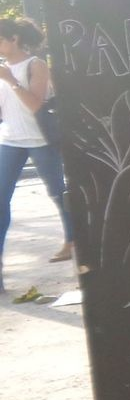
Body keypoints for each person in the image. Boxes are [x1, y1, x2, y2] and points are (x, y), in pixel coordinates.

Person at [0, 17, 73, 286]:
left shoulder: (36, 65)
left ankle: (72, 238)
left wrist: (12, 82)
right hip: (10, 140)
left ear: (14, 39)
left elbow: (35, 105)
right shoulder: (4, 69)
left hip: (40, 139)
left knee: (57, 192)